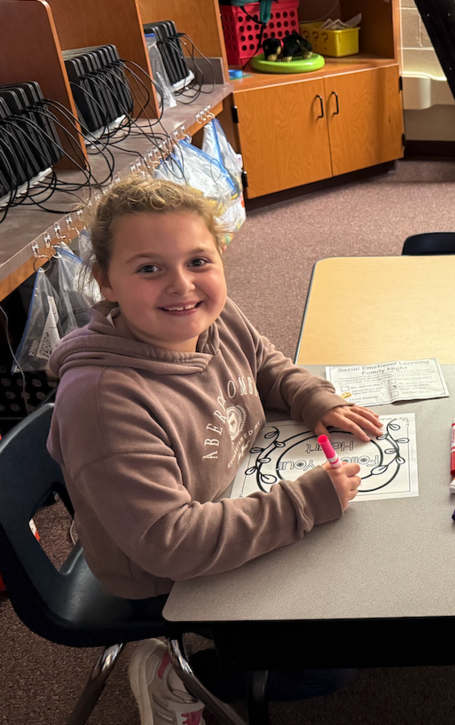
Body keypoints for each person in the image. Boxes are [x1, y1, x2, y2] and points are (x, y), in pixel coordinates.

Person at [46, 178, 382, 724]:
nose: (182, 286)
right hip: (166, 576)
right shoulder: (104, 403)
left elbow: (265, 363)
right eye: (149, 268)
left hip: (235, 492)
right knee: (330, 663)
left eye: (198, 260)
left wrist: (310, 397)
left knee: (366, 578)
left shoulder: (211, 314)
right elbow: (169, 543)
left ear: (220, 257)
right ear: (106, 281)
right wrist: (303, 504)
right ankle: (182, 680)